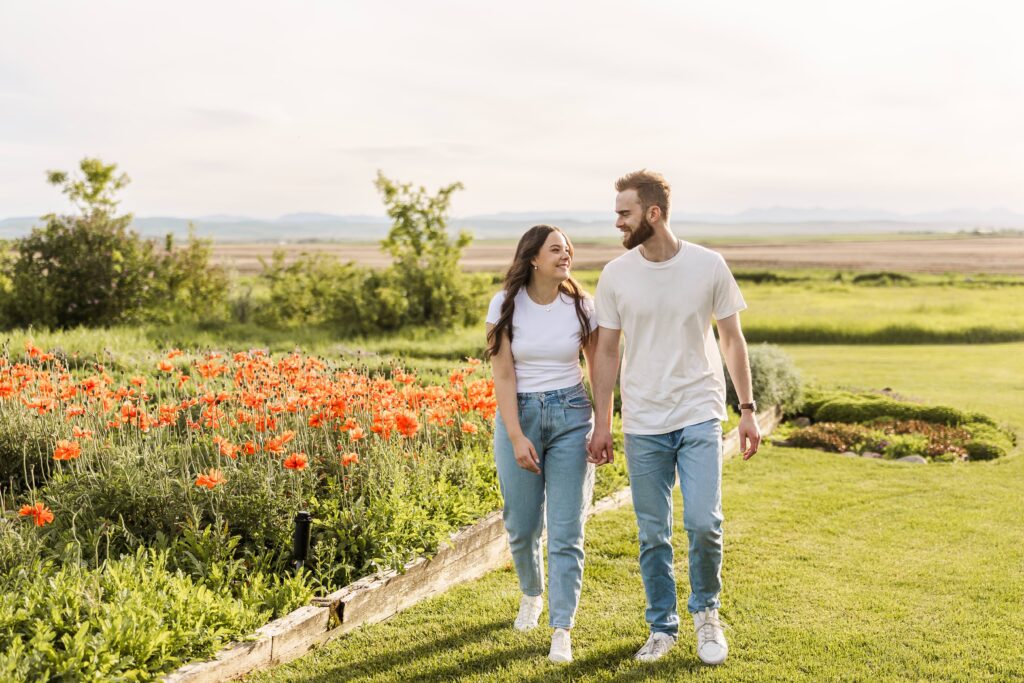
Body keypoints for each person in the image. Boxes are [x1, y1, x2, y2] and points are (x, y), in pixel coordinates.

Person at [587, 169, 761, 666]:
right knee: (652, 533)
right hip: (643, 420)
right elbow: (606, 353)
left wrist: (746, 410)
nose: (617, 221)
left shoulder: (708, 265)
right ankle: (662, 627)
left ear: (653, 213)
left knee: (704, 523)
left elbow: (731, 338)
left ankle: (708, 615)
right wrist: (605, 421)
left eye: (625, 212)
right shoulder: (616, 275)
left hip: (699, 411)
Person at [486, 224, 599, 664]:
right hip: (521, 415)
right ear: (533, 258)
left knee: (567, 530)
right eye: (556, 249)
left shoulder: (583, 306)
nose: (565, 255)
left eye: (568, 249)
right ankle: (532, 592)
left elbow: (598, 366)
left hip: (572, 416)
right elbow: (504, 375)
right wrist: (516, 436)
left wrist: (603, 424)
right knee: (522, 524)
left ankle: (561, 627)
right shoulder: (506, 304)